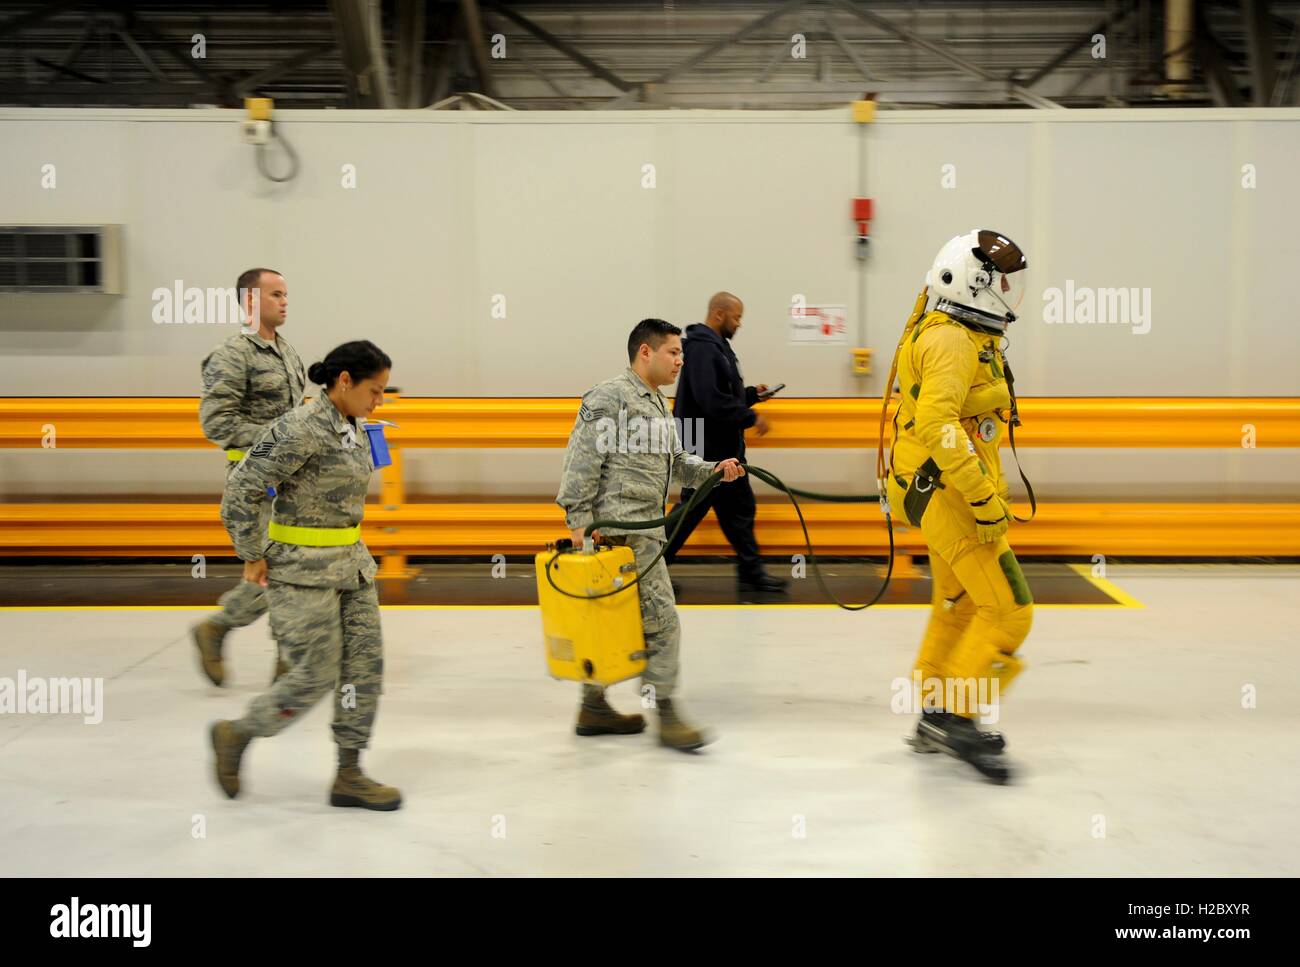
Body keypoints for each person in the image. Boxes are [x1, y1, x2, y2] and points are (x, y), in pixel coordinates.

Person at [209, 340, 400, 810]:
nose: (379, 401)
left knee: (363, 671)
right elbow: (242, 487)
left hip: (352, 568)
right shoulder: (297, 427)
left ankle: (349, 773)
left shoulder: (356, 426)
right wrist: (250, 551)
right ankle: (239, 732)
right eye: (374, 390)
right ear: (344, 381)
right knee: (314, 675)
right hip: (300, 574)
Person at [883, 230, 1033, 783]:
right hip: (947, 491)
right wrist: (983, 500)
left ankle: (934, 715)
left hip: (928, 487)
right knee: (1010, 609)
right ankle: (959, 716)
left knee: (961, 603)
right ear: (973, 282)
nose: (1008, 292)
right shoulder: (952, 341)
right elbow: (940, 425)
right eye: (1000, 282)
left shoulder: (955, 332)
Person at [557, 319, 746, 752]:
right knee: (662, 621)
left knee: (607, 622)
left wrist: (714, 471)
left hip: (646, 532)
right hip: (619, 535)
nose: (681, 360)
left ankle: (593, 706)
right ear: (646, 351)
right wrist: (580, 523)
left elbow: (676, 463)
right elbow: (581, 460)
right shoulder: (610, 397)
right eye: (673, 353)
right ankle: (666, 712)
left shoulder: (659, 403)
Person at [192, 268, 305, 686]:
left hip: (293, 480)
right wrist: (277, 439)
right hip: (255, 482)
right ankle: (279, 661)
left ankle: (225, 632)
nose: (285, 301)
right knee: (273, 571)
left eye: (286, 294)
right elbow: (216, 422)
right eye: (276, 294)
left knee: (290, 568)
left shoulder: (288, 353)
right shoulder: (233, 354)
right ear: (252, 301)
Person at [663, 292, 787, 596]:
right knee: (690, 512)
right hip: (706, 450)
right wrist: (750, 417)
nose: (739, 324)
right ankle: (648, 572)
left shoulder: (717, 348)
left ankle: (751, 572)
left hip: (719, 448)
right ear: (719, 314)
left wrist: (751, 395)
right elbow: (711, 401)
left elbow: (722, 394)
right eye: (737, 317)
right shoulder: (704, 350)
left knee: (739, 509)